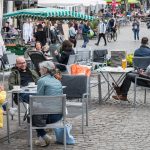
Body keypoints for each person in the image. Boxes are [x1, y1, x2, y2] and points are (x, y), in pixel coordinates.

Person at [34, 61, 63, 147]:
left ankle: (43, 135)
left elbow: (39, 100)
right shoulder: (57, 81)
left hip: (50, 116)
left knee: (31, 115)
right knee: (36, 113)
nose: (39, 71)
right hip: (59, 114)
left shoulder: (42, 81)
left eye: (40, 69)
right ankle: (41, 140)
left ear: (45, 70)